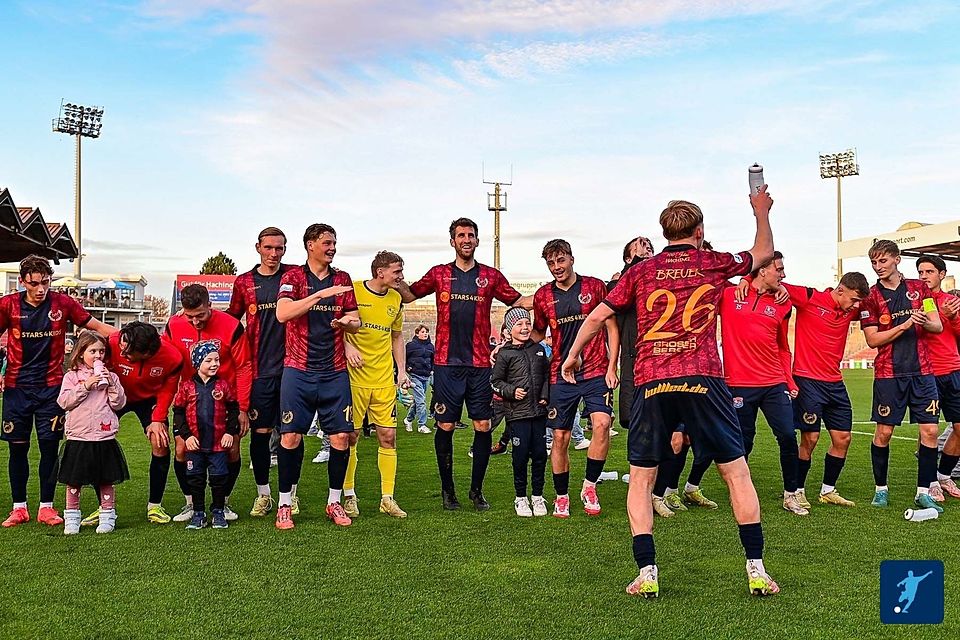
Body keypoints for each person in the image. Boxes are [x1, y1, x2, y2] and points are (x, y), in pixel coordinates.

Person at [562, 188, 779, 597]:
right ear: (699, 231)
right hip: (702, 378)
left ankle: (647, 573)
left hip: (651, 382)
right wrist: (761, 211)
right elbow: (763, 252)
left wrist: (572, 355)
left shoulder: (641, 271)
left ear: (665, 233)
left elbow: (598, 315)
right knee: (735, 472)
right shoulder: (711, 262)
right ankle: (756, 569)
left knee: (642, 478)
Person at [397, 217, 531, 511]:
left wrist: (551, 296)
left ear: (477, 241)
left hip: (480, 365)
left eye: (471, 235)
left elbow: (519, 300)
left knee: (483, 425)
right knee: (445, 424)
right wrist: (392, 279)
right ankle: (448, 492)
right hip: (446, 365)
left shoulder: (491, 277)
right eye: (461, 235)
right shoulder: (440, 273)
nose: (466, 239)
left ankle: (476, 491)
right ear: (452, 241)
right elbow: (410, 294)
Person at [0, 254, 112, 528]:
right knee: (18, 449)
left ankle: (46, 507)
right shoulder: (8, 305)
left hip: (52, 388)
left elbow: (96, 327)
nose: (40, 289)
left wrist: (135, 336)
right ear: (23, 281)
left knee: (50, 449)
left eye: (46, 282)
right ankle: (19, 507)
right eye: (34, 283)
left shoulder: (63, 303)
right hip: (16, 390)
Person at [275, 223, 360, 529]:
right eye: (326, 242)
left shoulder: (344, 278)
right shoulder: (293, 277)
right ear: (310, 245)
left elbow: (356, 320)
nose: (332, 247)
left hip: (334, 371)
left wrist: (346, 324)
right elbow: (283, 313)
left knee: (340, 437)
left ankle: (334, 502)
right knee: (290, 436)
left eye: (334, 242)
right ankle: (285, 503)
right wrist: (321, 295)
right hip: (298, 370)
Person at [531, 239, 619, 518]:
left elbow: (611, 326)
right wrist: (508, 346)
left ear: (571, 258)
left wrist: (612, 366)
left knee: (602, 425)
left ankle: (589, 486)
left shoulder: (594, 287)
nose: (556, 267)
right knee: (560, 436)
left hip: (595, 370)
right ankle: (561, 495)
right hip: (561, 373)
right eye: (551, 263)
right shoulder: (543, 296)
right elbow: (537, 333)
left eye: (561, 260)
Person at [860, 240, 943, 512]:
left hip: (923, 372)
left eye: (882, 261)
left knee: (930, 431)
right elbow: (873, 340)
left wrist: (924, 321)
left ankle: (923, 491)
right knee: (883, 432)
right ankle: (880, 489)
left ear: (896, 259)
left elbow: (937, 325)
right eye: (874, 262)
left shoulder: (920, 288)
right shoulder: (870, 297)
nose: (878, 267)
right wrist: (907, 323)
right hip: (888, 375)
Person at [721, 252, 805, 515]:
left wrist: (788, 379)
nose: (783, 275)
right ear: (762, 270)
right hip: (738, 383)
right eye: (779, 269)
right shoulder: (728, 295)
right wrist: (745, 276)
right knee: (743, 442)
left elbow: (783, 347)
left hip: (773, 382)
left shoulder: (783, 304)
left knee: (787, 437)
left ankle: (791, 494)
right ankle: (740, 493)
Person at [779, 273, 870, 509]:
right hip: (808, 380)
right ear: (840, 290)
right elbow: (772, 282)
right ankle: (796, 490)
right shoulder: (809, 297)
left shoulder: (850, 309)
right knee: (810, 438)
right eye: (853, 299)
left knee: (843, 438)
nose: (856, 306)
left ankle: (828, 490)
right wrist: (747, 280)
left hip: (835, 383)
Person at [79, 322, 184, 527]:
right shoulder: (115, 341)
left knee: (160, 442)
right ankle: (104, 507)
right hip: (115, 394)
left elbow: (168, 389)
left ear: (147, 353)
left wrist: (157, 418)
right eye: (122, 348)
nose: (122, 353)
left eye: (129, 353)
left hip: (149, 400)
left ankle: (155, 505)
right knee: (94, 443)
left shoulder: (173, 357)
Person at [165, 284, 252, 522]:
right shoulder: (173, 324)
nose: (195, 322)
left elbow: (244, 366)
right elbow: (168, 362)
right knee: (183, 449)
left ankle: (222, 503)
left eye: (200, 315)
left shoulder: (232, 325)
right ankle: (190, 504)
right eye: (189, 316)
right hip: (190, 400)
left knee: (231, 450)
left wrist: (242, 408)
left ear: (210, 306)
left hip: (224, 403)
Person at [228, 226, 295, 517]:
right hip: (259, 371)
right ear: (257, 247)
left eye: (279, 248)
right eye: (268, 248)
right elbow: (230, 320)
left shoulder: (294, 276)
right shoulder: (244, 282)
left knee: (292, 434)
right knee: (261, 433)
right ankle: (263, 495)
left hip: (294, 367)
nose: (274, 253)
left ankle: (290, 495)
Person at [341, 251, 410, 519]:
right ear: (380, 272)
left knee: (389, 437)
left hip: (383, 380)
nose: (401, 276)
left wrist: (401, 371)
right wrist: (347, 347)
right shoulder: (354, 291)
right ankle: (349, 495)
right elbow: (336, 326)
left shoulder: (396, 299)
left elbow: (396, 337)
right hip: (354, 378)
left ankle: (387, 498)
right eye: (397, 271)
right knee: (350, 437)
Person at [57, 331, 129, 534]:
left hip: (103, 436)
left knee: (105, 478)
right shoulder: (72, 377)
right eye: (93, 351)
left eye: (101, 351)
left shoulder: (111, 376)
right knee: (74, 480)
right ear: (81, 353)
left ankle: (107, 515)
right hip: (78, 436)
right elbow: (64, 402)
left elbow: (119, 404)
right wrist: (85, 386)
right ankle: (71, 516)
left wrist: (112, 384)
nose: (98, 356)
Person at [172, 341, 240, 529]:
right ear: (197, 362)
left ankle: (218, 512)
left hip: (218, 444)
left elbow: (234, 409)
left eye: (217, 359)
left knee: (218, 479)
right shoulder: (186, 387)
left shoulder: (223, 385)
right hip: (195, 445)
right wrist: (186, 436)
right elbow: (177, 413)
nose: (214, 364)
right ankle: (198, 513)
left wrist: (229, 432)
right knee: (196, 479)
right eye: (208, 360)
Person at [491, 307, 550, 517]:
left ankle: (537, 496)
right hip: (518, 416)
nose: (524, 328)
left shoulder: (538, 349)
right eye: (519, 324)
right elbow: (495, 382)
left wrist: (544, 396)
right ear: (508, 329)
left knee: (541, 456)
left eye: (527, 323)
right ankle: (521, 498)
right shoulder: (504, 354)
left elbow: (546, 375)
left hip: (539, 414)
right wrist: (511, 391)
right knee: (520, 456)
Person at [915, 256, 960, 499]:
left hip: (953, 371)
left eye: (929, 271)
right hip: (926, 374)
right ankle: (929, 481)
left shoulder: (952, 302)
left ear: (942, 274)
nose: (924, 276)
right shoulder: (915, 303)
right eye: (921, 271)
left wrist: (952, 317)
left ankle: (944, 475)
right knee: (929, 430)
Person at [404, 324, 434, 434]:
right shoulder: (411, 345)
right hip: (415, 376)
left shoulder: (431, 346)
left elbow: (433, 360)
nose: (425, 334)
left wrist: (432, 369)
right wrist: (407, 368)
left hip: (426, 376)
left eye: (426, 332)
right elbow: (404, 358)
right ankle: (422, 425)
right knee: (421, 401)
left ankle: (408, 420)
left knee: (418, 402)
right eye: (422, 332)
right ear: (417, 333)